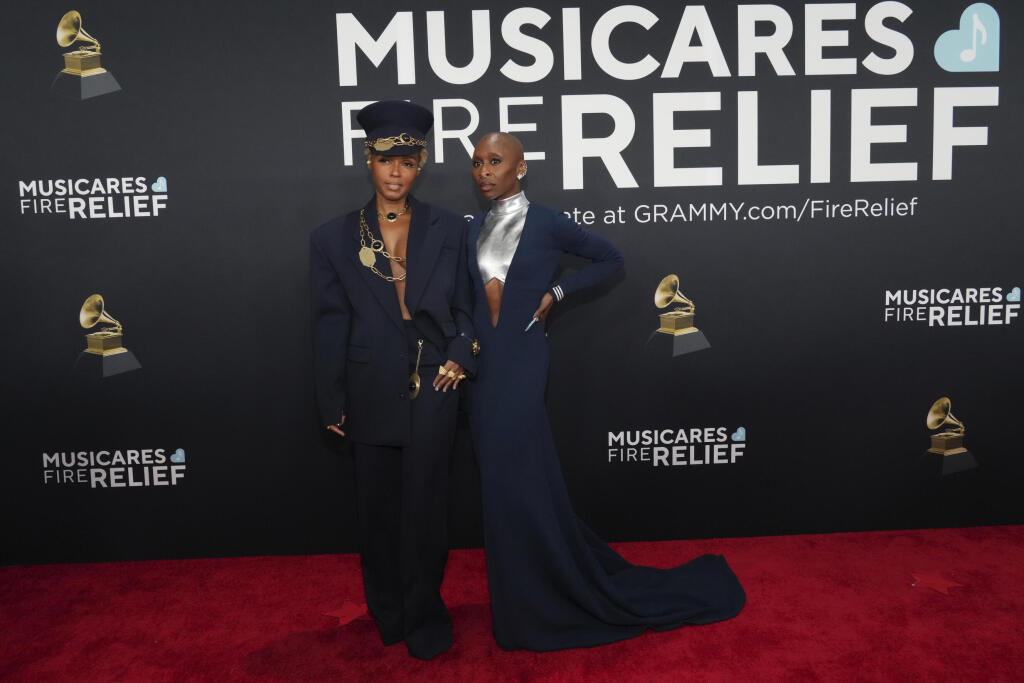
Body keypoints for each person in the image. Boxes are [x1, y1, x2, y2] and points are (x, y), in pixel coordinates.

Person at [466, 132, 745, 651]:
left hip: (524, 365)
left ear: (520, 168)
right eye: (478, 162)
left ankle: (545, 602)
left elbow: (609, 258)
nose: (484, 171)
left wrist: (557, 291)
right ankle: (521, 600)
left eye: (496, 161)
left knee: (516, 478)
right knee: (501, 488)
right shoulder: (471, 229)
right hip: (483, 372)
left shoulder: (546, 221)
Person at [310, 100, 477, 660]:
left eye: (407, 161)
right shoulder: (333, 238)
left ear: (422, 162)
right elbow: (330, 322)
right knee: (376, 511)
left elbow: (467, 307)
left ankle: (426, 614)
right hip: (369, 380)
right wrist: (332, 399)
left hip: (435, 379)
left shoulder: (451, 228)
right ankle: (388, 612)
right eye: (386, 160)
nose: (396, 172)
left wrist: (461, 354)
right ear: (368, 160)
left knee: (426, 509)